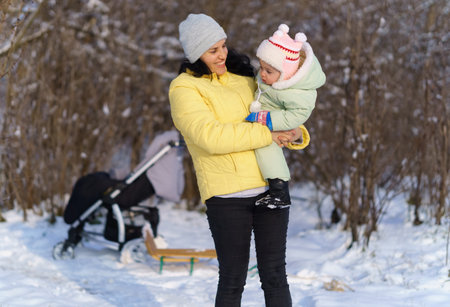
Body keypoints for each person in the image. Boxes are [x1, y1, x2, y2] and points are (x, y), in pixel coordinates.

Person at [169, 13, 303, 307]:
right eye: (213, 50)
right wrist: (267, 134)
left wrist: (294, 132)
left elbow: (275, 111)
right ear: (195, 54)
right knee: (233, 278)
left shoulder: (244, 79)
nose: (223, 54)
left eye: (223, 46)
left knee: (275, 276)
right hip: (226, 194)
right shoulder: (184, 88)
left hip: (270, 186)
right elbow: (211, 137)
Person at [245, 24, 326, 209]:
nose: (262, 74)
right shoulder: (272, 80)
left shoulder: (298, 93)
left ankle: (279, 190)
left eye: (269, 71)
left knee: (267, 147)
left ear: (286, 73)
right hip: (264, 116)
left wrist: (268, 119)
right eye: (262, 67)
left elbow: (298, 115)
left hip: (273, 121)